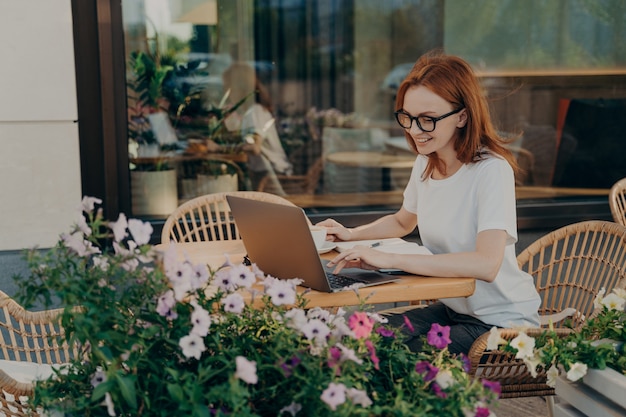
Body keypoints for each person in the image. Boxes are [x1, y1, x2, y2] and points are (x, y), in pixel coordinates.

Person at [317, 50, 541, 355]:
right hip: (452, 310)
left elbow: (486, 264)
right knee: (358, 337)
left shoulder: (491, 170)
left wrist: (390, 259)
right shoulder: (425, 163)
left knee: (388, 359)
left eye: (428, 120)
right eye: (407, 117)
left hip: (502, 323)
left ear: (462, 116)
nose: (414, 130)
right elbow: (402, 221)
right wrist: (351, 234)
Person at [207, 62, 292, 195]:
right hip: (266, 174)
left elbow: (254, 148)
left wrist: (218, 148)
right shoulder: (251, 112)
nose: (226, 92)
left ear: (239, 87)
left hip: (273, 177)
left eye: (227, 86)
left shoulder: (255, 111)